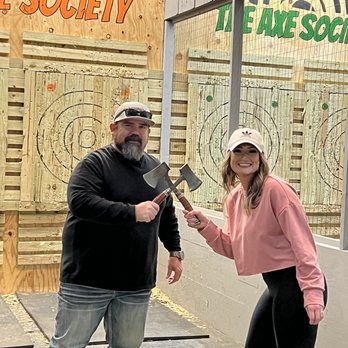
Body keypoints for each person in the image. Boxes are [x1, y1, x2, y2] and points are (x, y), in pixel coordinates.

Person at [49, 101, 184, 348]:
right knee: (68, 345)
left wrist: (175, 252)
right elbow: (80, 202)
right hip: (88, 281)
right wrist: (132, 212)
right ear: (113, 128)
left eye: (143, 126)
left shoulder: (156, 169)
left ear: (148, 133)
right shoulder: (95, 164)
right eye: (128, 125)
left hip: (135, 285)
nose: (136, 131)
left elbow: (167, 214)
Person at [184, 127, 327, 348]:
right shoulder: (234, 198)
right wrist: (205, 227)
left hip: (297, 284)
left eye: (252, 151)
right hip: (275, 286)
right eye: (238, 150)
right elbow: (235, 249)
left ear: (261, 158)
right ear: (229, 156)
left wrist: (313, 291)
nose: (244, 157)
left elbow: (303, 245)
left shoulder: (276, 190)